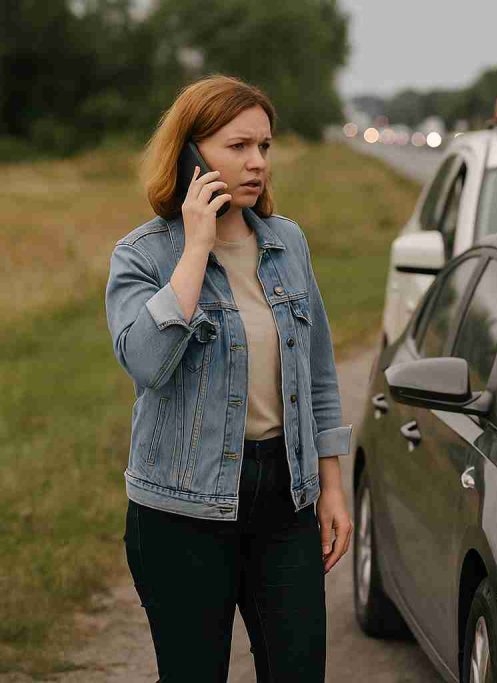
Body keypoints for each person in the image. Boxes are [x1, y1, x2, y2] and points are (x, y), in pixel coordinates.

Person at [104, 75, 352, 681]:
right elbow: (146, 362)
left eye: (264, 146)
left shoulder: (288, 242)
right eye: (237, 146)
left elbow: (318, 373)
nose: (257, 162)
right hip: (181, 510)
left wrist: (332, 488)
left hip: (284, 501)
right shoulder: (142, 256)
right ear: (191, 155)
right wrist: (196, 248)